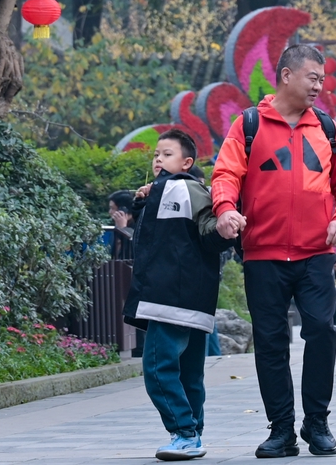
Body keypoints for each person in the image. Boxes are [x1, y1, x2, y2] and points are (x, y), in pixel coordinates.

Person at [212, 44, 336, 459]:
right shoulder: (249, 125)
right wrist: (226, 209)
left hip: (317, 254)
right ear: (285, 75)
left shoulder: (328, 129)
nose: (319, 86)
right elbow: (226, 174)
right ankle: (281, 429)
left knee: (321, 331)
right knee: (271, 341)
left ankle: (316, 421)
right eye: (313, 77)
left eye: (322, 78)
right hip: (263, 253)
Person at [123, 129, 231, 462]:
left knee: (157, 367)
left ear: (186, 162)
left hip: (171, 298)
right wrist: (144, 202)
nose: (158, 159)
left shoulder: (186, 187)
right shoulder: (161, 190)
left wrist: (225, 228)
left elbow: (207, 230)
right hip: (186, 298)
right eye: (156, 154)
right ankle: (192, 432)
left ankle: (184, 432)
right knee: (188, 373)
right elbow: (165, 236)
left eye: (166, 154)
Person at [106, 190, 138, 259]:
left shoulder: (138, 227)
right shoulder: (116, 228)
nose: (110, 212)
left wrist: (124, 230)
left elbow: (133, 253)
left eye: (112, 208)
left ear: (123, 210)